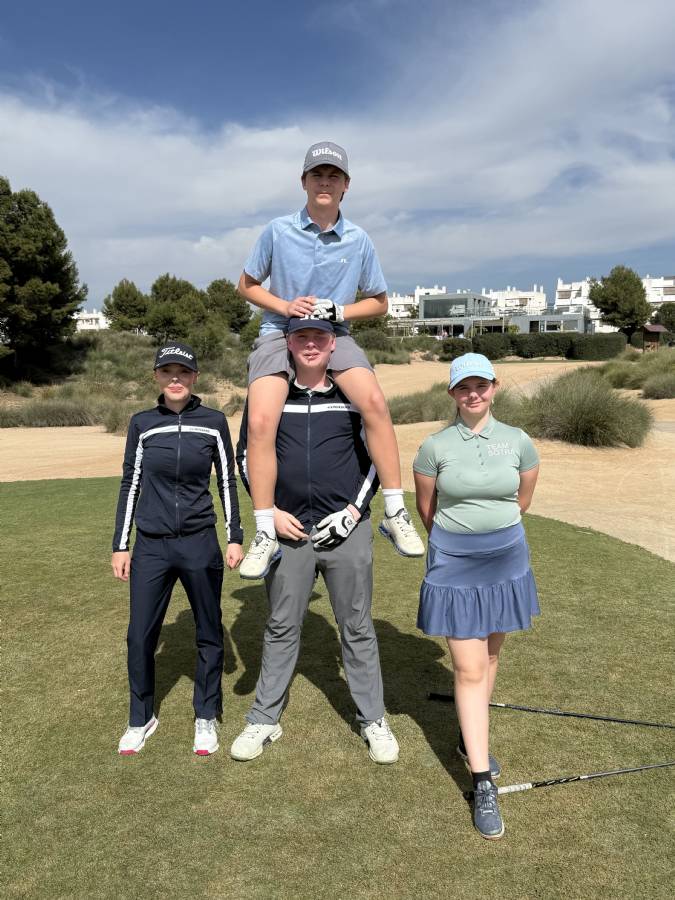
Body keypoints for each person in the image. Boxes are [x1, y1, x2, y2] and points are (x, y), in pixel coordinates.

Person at [236, 140, 424, 579]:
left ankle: (395, 511)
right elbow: (246, 286)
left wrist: (341, 311)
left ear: (346, 185)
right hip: (278, 332)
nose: (325, 182)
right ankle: (264, 529)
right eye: (317, 175)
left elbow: (379, 302)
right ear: (303, 182)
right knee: (261, 421)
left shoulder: (359, 239)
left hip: (334, 334)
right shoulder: (277, 231)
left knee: (374, 404)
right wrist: (285, 306)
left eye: (333, 176)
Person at [231, 316, 399, 764]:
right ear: (287, 343)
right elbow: (246, 456)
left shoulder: (350, 393)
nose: (310, 344)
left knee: (356, 626)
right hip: (287, 531)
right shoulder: (270, 392)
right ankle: (264, 718)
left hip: (345, 529)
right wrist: (271, 512)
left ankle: (373, 718)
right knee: (281, 625)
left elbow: (375, 458)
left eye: (319, 337)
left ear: (332, 344)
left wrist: (353, 511)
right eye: (301, 336)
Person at [413, 353, 540, 840]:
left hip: (506, 558)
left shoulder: (518, 441)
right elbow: (428, 510)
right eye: (463, 387)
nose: (473, 395)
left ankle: (471, 744)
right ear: (452, 393)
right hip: (455, 561)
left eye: (481, 386)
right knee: (468, 668)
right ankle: (482, 781)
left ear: (494, 387)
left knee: (489, 657)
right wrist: (460, 543)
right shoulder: (434, 447)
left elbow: (522, 500)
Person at [112, 341, 244, 756]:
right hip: (151, 546)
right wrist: (121, 545)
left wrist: (234, 536)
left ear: (194, 377)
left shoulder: (213, 422)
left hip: (199, 542)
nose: (175, 379)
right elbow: (131, 483)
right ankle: (141, 717)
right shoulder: (142, 424)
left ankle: (206, 714)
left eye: (183, 372)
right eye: (167, 372)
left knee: (209, 630)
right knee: (139, 636)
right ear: (156, 377)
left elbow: (226, 480)